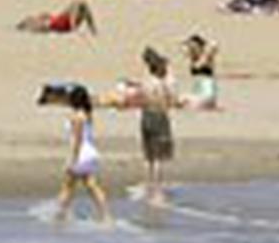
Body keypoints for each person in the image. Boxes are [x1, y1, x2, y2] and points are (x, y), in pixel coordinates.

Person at [112, 47, 182, 203]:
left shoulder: (146, 81)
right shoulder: (161, 83)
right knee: (158, 157)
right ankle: (156, 189)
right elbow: (172, 100)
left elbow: (140, 97)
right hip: (159, 117)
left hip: (146, 116)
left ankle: (147, 184)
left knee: (148, 154)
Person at [50, 84, 112, 225]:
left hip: (82, 154)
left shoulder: (76, 117)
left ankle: (59, 217)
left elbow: (77, 139)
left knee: (67, 187)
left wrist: (73, 159)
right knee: (92, 186)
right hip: (90, 153)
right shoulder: (87, 114)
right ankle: (106, 216)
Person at [184, 34, 221, 111]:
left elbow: (214, 44)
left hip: (207, 94)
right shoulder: (193, 59)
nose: (192, 50)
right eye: (190, 48)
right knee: (178, 100)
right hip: (198, 93)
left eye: (194, 47)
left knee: (185, 105)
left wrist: (204, 48)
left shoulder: (206, 57)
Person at [17, 0, 97, 35]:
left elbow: (72, 21)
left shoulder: (76, 6)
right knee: (43, 18)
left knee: (39, 21)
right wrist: (93, 31)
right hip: (62, 23)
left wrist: (75, 30)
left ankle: (23, 25)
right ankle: (24, 25)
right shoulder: (83, 10)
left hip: (61, 24)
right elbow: (90, 22)